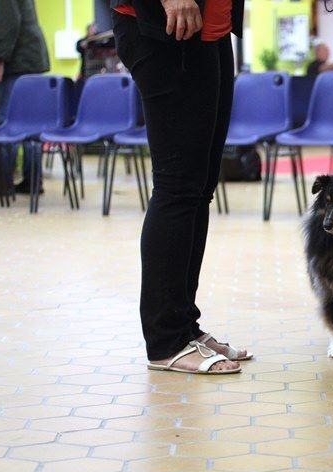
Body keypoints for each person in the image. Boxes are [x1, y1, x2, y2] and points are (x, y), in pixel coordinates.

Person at [111, 0, 252, 374]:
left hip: (211, 30)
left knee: (199, 187)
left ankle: (184, 325)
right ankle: (165, 341)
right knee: (177, 187)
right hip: (166, 28)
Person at [0, 0, 49, 195]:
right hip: (26, 60)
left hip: (15, 63)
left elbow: (8, 22)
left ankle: (2, 181)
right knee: (28, 124)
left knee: (8, 122)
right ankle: (32, 181)